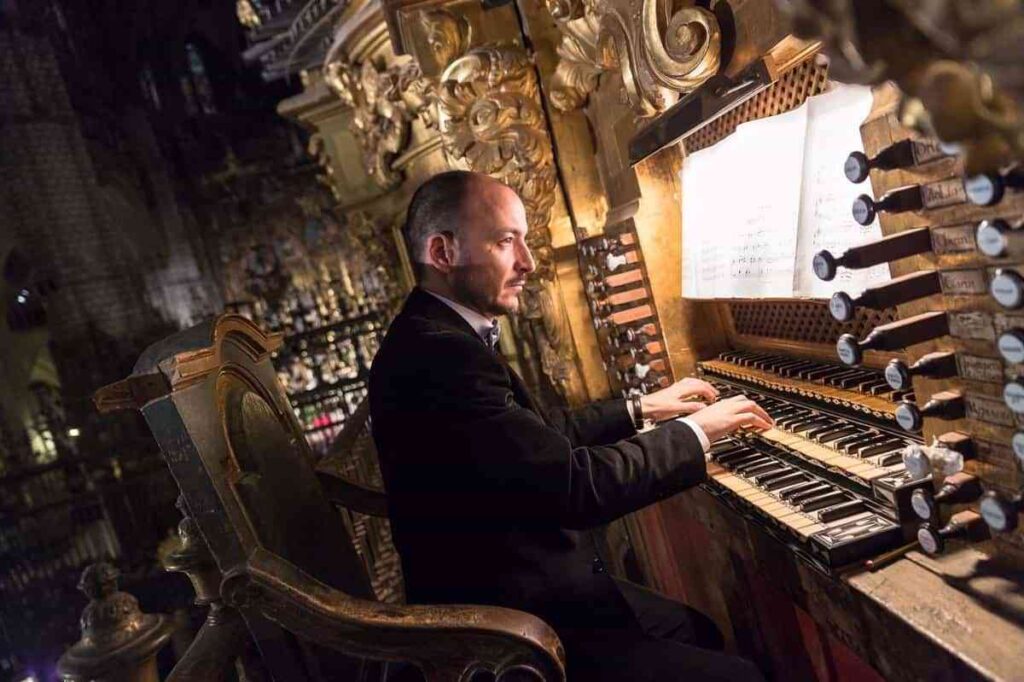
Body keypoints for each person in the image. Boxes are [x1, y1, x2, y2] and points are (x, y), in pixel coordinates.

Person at [369, 170, 773, 681]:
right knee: (739, 677)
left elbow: (537, 434)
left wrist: (640, 408)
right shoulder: (439, 355)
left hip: (519, 588)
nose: (528, 262)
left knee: (694, 629)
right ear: (443, 253)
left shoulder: (432, 332)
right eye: (505, 241)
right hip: (510, 634)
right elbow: (575, 488)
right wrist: (698, 432)